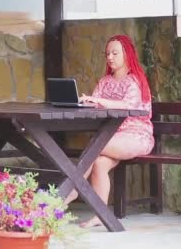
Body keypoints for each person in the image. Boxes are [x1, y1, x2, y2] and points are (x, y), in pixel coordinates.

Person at [64, 35, 154, 228]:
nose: (110, 57)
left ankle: (71, 189)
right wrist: (86, 102)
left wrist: (103, 102)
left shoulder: (135, 80)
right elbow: (96, 102)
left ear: (127, 54)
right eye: (107, 54)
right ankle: (100, 214)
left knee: (96, 146)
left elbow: (129, 105)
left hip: (136, 136)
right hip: (112, 137)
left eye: (115, 53)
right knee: (99, 162)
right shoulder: (105, 81)